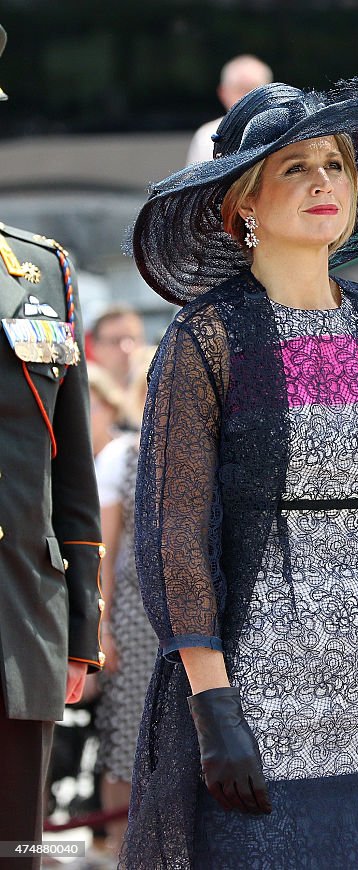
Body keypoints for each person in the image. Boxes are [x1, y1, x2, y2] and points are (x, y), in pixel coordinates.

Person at [123, 76, 358, 869]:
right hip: (258, 688)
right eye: (295, 167)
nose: (324, 182)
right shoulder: (205, 337)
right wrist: (212, 704)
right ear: (241, 203)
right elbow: (174, 528)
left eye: (337, 166)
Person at [0, 24, 105, 869]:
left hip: (16, 623)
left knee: (17, 852)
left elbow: (69, 471)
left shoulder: (41, 271)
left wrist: (81, 630)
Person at [93, 347, 159, 864]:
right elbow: (105, 549)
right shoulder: (124, 454)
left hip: (195, 617)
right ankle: (119, 850)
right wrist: (101, 628)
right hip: (134, 617)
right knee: (127, 740)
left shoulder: (209, 449)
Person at [186, 54, 273, 165]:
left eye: (255, 89)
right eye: (240, 89)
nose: (247, 98)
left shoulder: (287, 133)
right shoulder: (206, 137)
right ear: (223, 93)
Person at [87, 305, 144, 388]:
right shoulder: (84, 393)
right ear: (95, 347)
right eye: (115, 341)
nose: (126, 349)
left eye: (132, 339)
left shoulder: (161, 390)